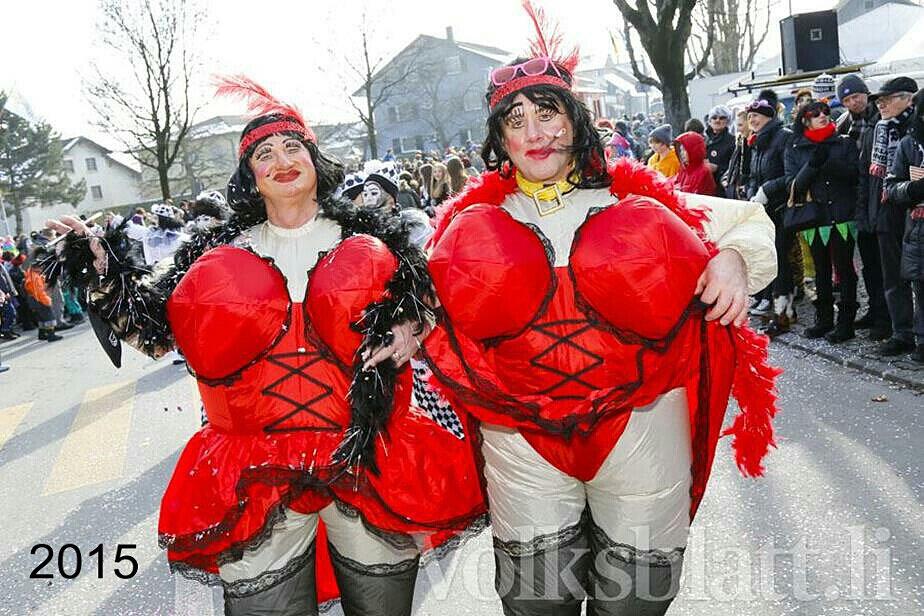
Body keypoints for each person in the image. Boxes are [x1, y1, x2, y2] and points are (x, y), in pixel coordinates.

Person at [45, 78, 486, 616]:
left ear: (314, 159)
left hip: (368, 460)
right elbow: (155, 335)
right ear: (249, 174)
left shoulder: (377, 241)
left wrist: (411, 328)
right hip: (254, 472)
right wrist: (102, 271)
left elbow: (431, 308)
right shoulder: (212, 252)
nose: (281, 160)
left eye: (292, 146)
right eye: (263, 153)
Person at [419, 6, 780, 614]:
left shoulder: (637, 199)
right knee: (537, 601)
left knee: (638, 596)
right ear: (499, 138)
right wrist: (405, 321)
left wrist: (735, 260)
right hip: (522, 434)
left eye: (548, 113)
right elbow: (419, 291)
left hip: (639, 425)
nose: (534, 133)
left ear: (576, 120)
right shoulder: (468, 223)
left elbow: (748, 220)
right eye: (516, 119)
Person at [784, 100, 860, 342]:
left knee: (845, 271)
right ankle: (824, 319)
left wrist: (830, 162)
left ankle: (846, 322)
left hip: (841, 215)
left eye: (826, 112)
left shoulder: (844, 142)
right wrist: (812, 164)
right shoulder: (795, 147)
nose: (822, 116)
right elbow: (791, 184)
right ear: (805, 119)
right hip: (813, 219)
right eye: (815, 113)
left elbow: (854, 175)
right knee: (820, 271)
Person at [863, 77, 919, 356]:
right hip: (886, 209)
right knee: (893, 277)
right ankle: (902, 333)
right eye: (879, 100)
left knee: (918, 276)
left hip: (914, 209)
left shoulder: (917, 129)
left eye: (888, 98)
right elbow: (869, 175)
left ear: (909, 98)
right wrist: (870, 213)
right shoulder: (878, 129)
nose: (881, 104)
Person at [836, 74, 892, 340]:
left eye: (856, 96)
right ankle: (875, 309)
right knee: (869, 262)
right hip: (857, 199)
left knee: (884, 264)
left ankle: (887, 316)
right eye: (847, 99)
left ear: (865, 93)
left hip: (879, 194)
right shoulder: (844, 123)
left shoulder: (879, 118)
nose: (853, 102)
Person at [746, 90, 795, 336]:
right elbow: (756, 174)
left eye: (757, 115)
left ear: (769, 116)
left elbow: (790, 175)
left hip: (780, 209)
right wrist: (751, 190)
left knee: (781, 263)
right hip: (762, 211)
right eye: (750, 116)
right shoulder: (758, 142)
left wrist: (767, 189)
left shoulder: (783, 137)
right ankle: (778, 311)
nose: (752, 120)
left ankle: (784, 314)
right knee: (771, 261)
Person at [882, 88, 924, 363]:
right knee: (921, 288)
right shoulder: (910, 145)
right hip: (919, 229)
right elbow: (891, 187)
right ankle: (922, 340)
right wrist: (914, 189)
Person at [705, 105, 736, 197]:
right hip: (706, 188)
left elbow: (736, 167)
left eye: (722, 118)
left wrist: (718, 168)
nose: (717, 120)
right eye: (714, 118)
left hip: (723, 190)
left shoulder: (733, 141)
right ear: (709, 121)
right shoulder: (704, 141)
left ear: (728, 121)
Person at [723, 109, 752, 200]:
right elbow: (733, 165)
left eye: (740, 125)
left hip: (747, 191)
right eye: (737, 125)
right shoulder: (740, 142)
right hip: (737, 190)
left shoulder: (753, 144)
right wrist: (725, 179)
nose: (738, 129)